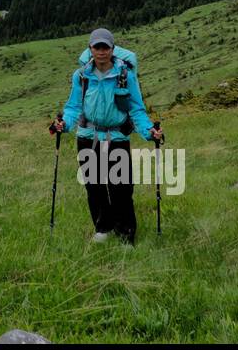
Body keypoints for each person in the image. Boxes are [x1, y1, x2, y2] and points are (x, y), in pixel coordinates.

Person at [51, 28, 163, 245]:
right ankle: (103, 228)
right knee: (93, 187)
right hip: (87, 136)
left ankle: (126, 234)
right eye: (97, 47)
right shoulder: (81, 76)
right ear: (90, 49)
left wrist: (149, 132)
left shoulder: (125, 76)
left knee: (120, 188)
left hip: (117, 137)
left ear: (112, 49)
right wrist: (64, 124)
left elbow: (136, 109)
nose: (101, 51)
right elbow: (74, 106)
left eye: (105, 47)